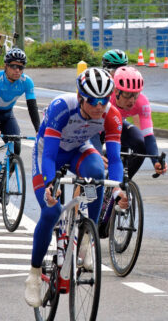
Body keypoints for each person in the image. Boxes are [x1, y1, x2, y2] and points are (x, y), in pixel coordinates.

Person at [25, 67, 128, 307]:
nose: (99, 107)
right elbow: (49, 155)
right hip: (48, 154)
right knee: (51, 211)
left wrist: (117, 190)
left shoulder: (111, 116)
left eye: (104, 100)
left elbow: (114, 160)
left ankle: (86, 239)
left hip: (78, 150)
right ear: (81, 97)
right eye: (93, 101)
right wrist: (51, 183)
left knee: (97, 174)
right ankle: (34, 275)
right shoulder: (62, 107)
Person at [0, 47, 41, 199]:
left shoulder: (27, 82)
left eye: (21, 67)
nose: (17, 70)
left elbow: (32, 107)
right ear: (6, 66)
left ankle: (4, 182)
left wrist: (38, 129)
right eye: (14, 66)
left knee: (16, 146)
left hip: (7, 114)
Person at [109, 66, 167, 180]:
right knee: (94, 168)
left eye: (135, 94)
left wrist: (156, 161)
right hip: (98, 128)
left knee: (141, 145)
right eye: (127, 94)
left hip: (117, 124)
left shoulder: (142, 102)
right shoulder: (107, 99)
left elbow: (148, 136)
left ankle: (123, 182)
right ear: (116, 91)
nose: (132, 100)